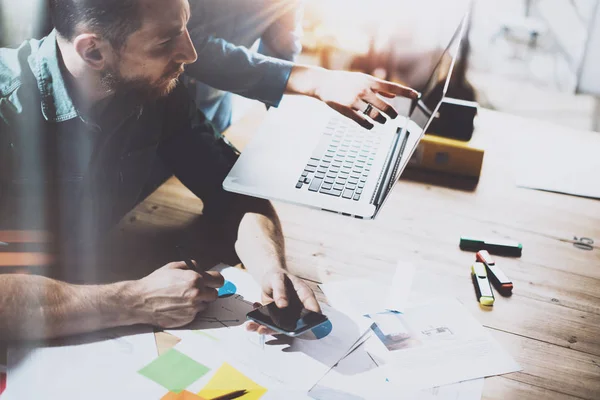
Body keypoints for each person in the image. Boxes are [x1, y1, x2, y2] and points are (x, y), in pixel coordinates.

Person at [0, 0, 417, 341]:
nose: (191, 54)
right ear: (93, 51)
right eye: (166, 41)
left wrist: (270, 266)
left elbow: (233, 189)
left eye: (186, 28)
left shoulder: (154, 91)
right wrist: (133, 300)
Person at [185, 0, 304, 133]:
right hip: (169, 97)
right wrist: (298, 78)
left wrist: (286, 125)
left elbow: (282, 51)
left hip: (219, 100)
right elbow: (186, 43)